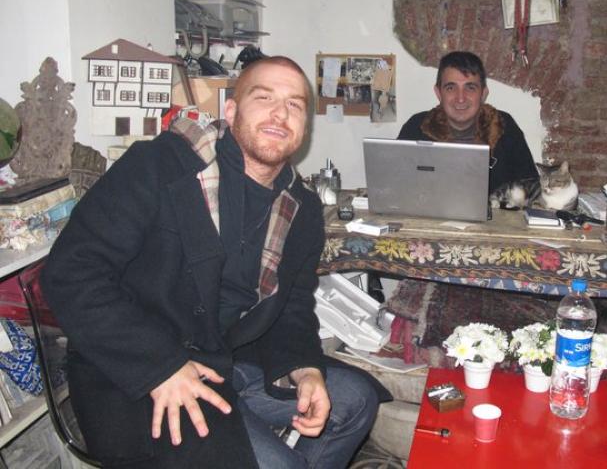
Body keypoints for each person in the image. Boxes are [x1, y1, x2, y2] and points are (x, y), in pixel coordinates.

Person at [41, 56, 381, 469]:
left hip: (228, 361)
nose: (280, 113)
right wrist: (160, 366)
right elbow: (71, 272)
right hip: (138, 367)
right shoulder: (159, 166)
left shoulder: (302, 208)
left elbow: (292, 305)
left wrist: (304, 367)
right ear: (231, 111)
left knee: (355, 400)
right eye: (264, 98)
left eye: (294, 105)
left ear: (304, 127)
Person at [397, 50, 539, 195]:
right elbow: (395, 186)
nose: (460, 98)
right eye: (451, 88)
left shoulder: (505, 127)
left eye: (470, 88)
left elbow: (531, 189)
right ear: (438, 93)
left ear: (483, 94)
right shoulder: (416, 128)